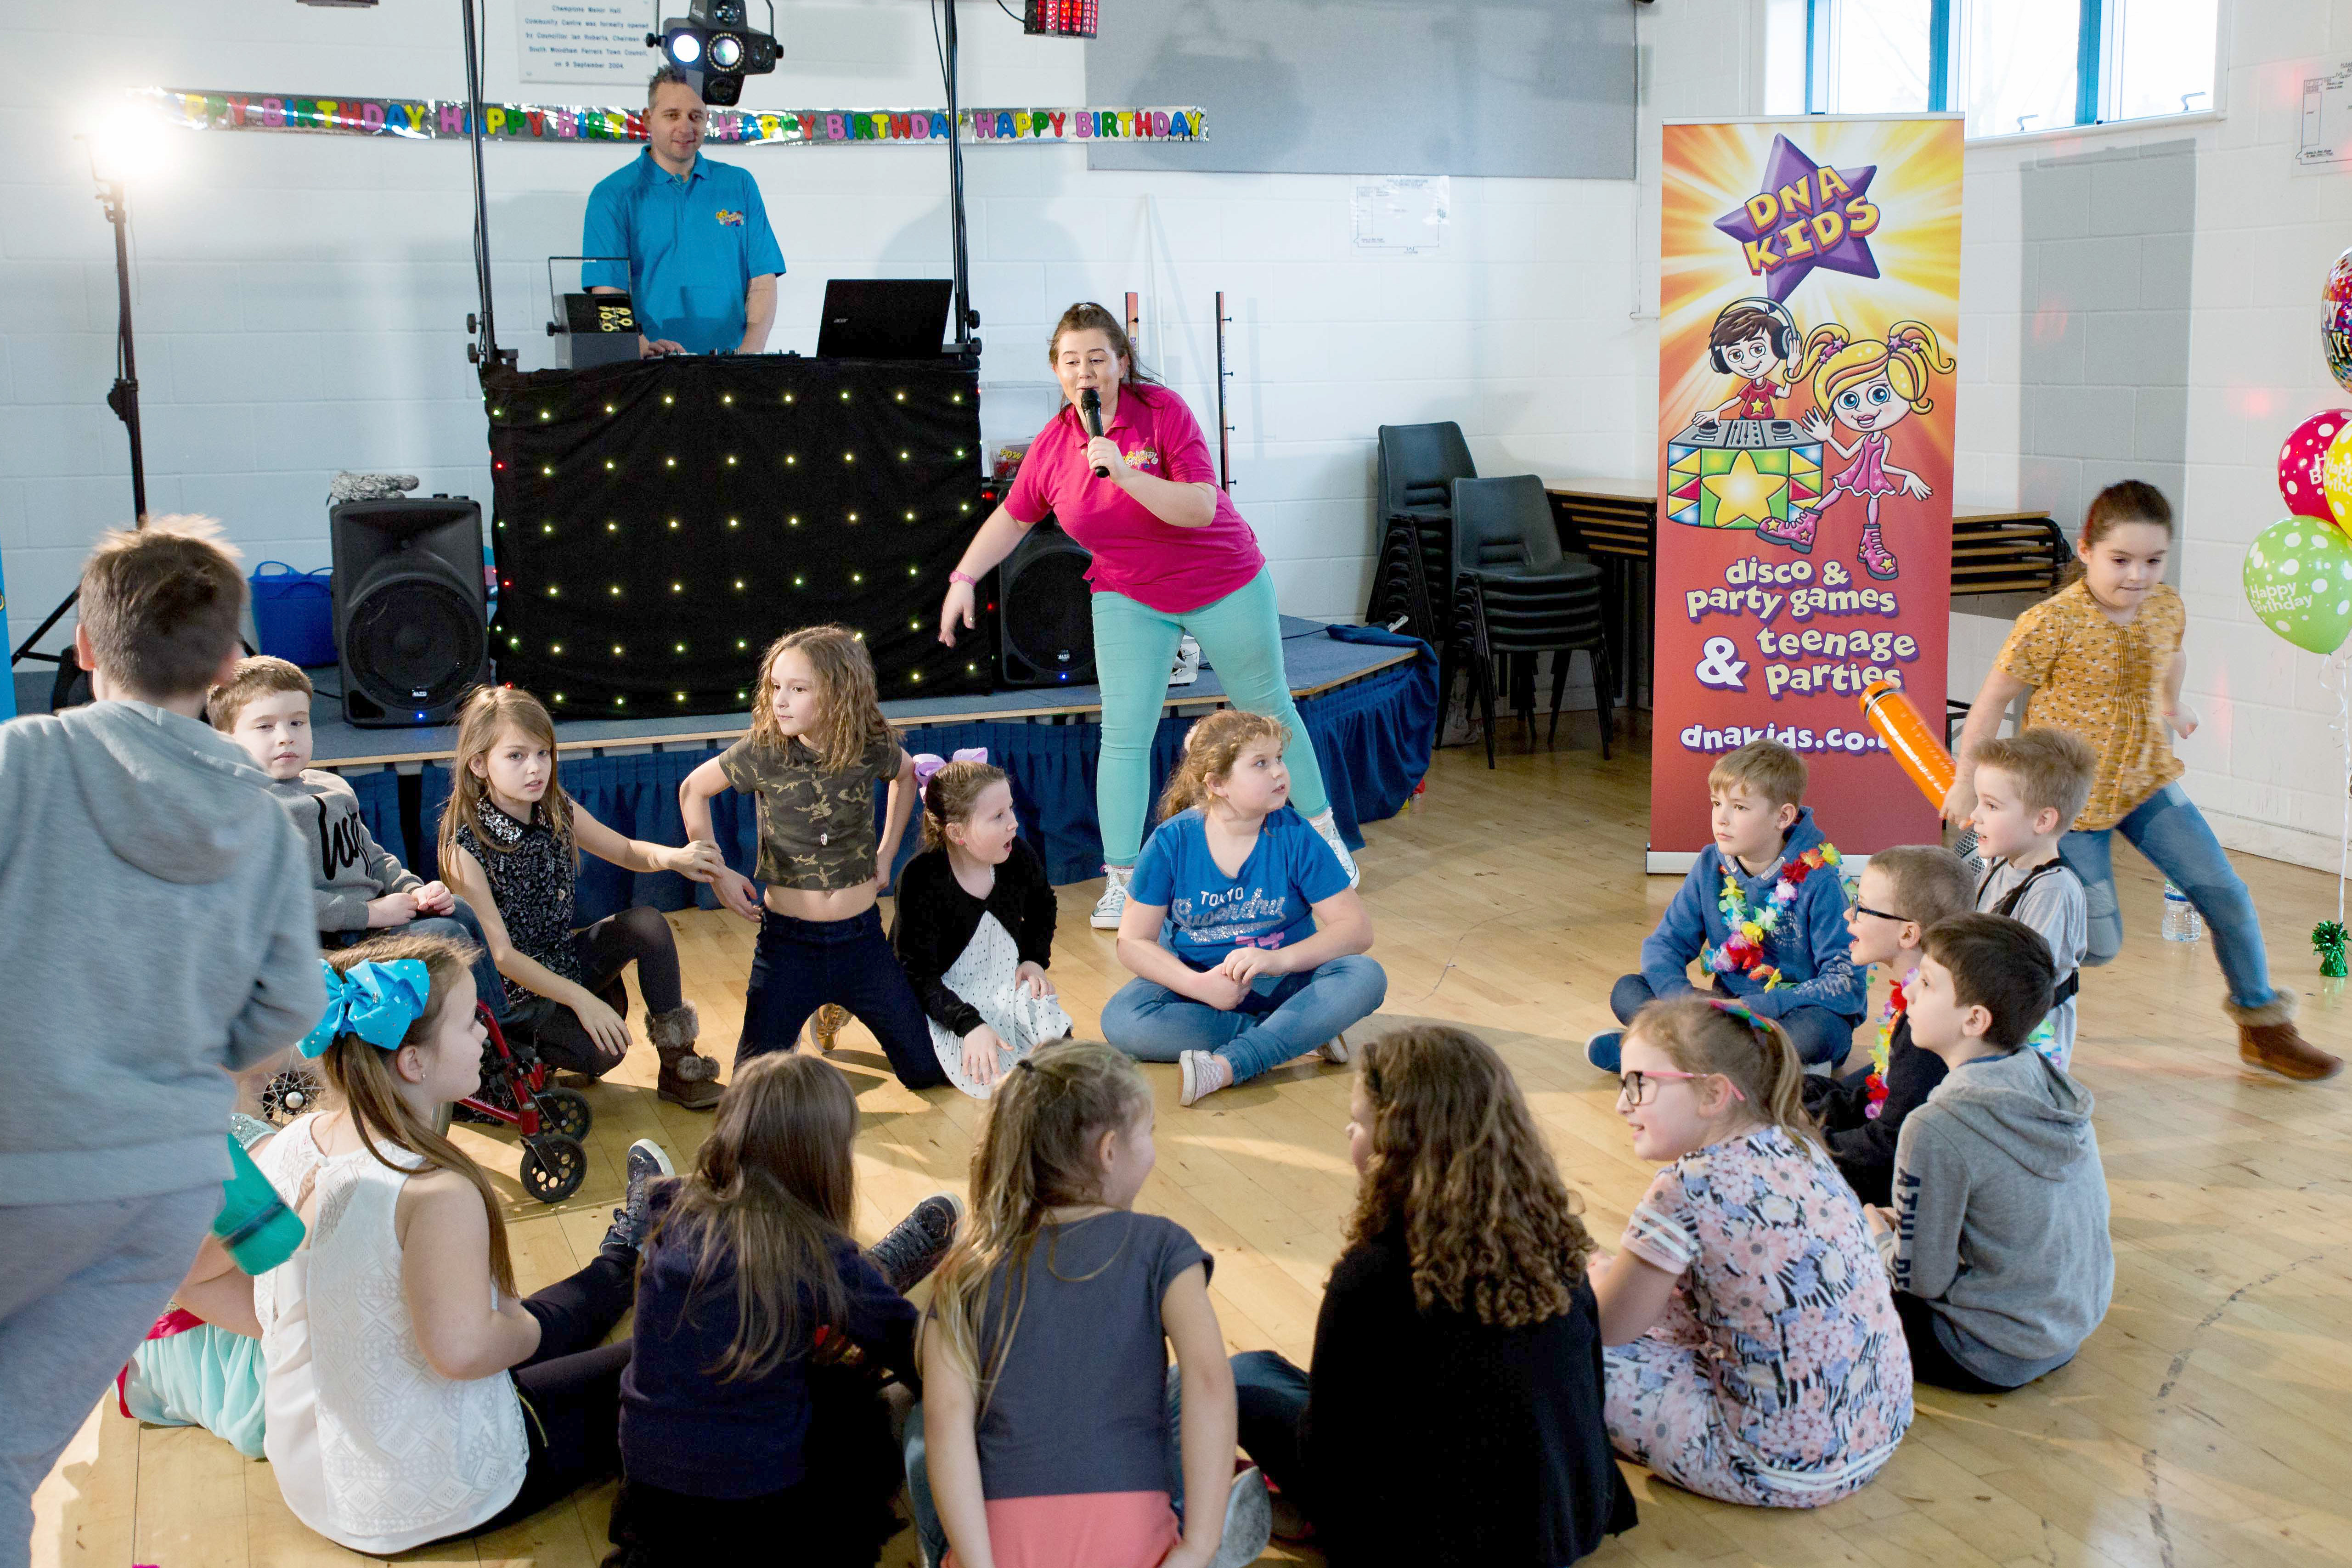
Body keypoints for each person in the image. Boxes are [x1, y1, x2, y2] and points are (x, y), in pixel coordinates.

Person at [0, 517, 326, 1568]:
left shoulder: (24, 756)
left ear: (85, 649)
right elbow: (284, 1008)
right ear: (229, 665)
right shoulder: (261, 814)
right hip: (163, 1194)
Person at [170, 937, 674, 1553]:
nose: (486, 1035)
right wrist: (519, 1327)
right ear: (413, 1061)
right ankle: (640, 1261)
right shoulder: (434, 1190)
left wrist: (310, 1325)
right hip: (427, 1497)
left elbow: (190, 1278)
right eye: (469, 1023)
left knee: (516, 1320)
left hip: (312, 1481)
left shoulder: (293, 1141)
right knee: (651, 1359)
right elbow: (463, 1352)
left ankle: (625, 1255)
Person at [936, 302, 1359, 931]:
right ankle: (1125, 882)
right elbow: (1012, 517)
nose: (1086, 372)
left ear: (1121, 364)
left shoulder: (1163, 414)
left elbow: (1196, 507)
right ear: (1057, 370)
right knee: (1124, 732)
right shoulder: (1053, 445)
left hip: (1220, 578)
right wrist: (964, 577)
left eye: (1098, 359)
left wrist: (1121, 474)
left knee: (1266, 711)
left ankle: (1325, 842)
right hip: (1128, 590)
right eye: (1072, 361)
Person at [1944, 479, 2340, 1081]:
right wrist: (1966, 784)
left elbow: (2172, 653)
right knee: (2096, 944)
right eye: (2121, 559)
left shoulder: (2164, 606)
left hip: (2145, 783)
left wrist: (2172, 703)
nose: (2138, 575)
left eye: (2153, 560)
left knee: (2225, 891)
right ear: (2086, 550)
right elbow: (1991, 701)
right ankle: (2001, 1031)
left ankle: (2264, 1029)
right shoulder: (2049, 622)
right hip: (2067, 805)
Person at [1226, 1026, 1637, 1565]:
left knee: (1238, 1376)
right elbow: (1589, 1393)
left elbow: (1329, 1452)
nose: (1348, 1134)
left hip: (1427, 1541)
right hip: (1566, 1521)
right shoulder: (1553, 1241)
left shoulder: (1373, 1274)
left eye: (1357, 1124)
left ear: (1397, 1146)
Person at [906, 1041, 1270, 1568]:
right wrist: (1197, 1547)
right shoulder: (1163, 1245)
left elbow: (945, 1422)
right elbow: (1211, 1384)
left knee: (919, 1421)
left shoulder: (964, 1273)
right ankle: (1207, 1544)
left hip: (1003, 1551)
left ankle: (945, 1554)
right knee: (1170, 1399)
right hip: (1140, 1549)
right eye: (1149, 1134)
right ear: (1109, 1151)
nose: (1154, 1149)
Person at [609, 1053, 963, 1568]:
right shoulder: (818, 1253)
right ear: (823, 1162)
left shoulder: (674, 1208)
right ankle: (886, 1268)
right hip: (761, 1517)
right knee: (857, 1401)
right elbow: (916, 1354)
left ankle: (883, 1269)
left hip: (651, 1495)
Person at [1591, 996, 1912, 1508]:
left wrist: (1592, 1279)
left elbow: (1608, 1329)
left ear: (1713, 1094)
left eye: (1638, 1084)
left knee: (1555, 1355)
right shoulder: (1802, 1147)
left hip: (1772, 1465)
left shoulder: (1685, 1188)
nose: (1621, 1103)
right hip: (1876, 1431)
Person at [679, 626, 943, 1090]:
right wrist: (717, 874)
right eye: (776, 687)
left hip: (862, 942)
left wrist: (886, 853)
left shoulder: (870, 743)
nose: (781, 701)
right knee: (753, 1091)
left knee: (926, 1071)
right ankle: (818, 1004)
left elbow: (906, 775)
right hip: (788, 947)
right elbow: (693, 790)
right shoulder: (764, 749)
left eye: (798, 690)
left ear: (840, 693)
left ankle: (836, 1002)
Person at [438, 685, 728, 1108]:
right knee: (604, 1052)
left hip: (561, 960)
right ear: (480, 764)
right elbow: (501, 956)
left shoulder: (556, 807)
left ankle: (679, 1067)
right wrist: (582, 1000)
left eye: (543, 753)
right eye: (516, 756)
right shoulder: (465, 846)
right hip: (510, 995)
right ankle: (504, 1064)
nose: (536, 768)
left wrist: (675, 858)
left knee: (647, 924)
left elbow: (626, 850)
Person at [1869, 915, 2113, 1392]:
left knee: (1823, 1261)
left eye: (1928, 982)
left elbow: (1918, 1282)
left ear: (1975, 1020)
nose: (1910, 992)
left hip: (1982, 1353)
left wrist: (1876, 1237)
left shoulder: (1936, 1125)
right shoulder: (2045, 1079)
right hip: (2062, 1333)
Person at [1105, 709, 1387, 1108]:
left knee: (1364, 975)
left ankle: (1232, 1063)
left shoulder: (1294, 833)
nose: (1278, 773)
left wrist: (1278, 960)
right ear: (1217, 783)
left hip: (1286, 980)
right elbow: (1132, 942)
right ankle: (1299, 1032)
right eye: (1260, 763)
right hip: (1203, 988)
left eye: (1279, 759)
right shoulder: (1172, 841)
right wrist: (1199, 985)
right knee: (1122, 1020)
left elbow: (1356, 930)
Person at [209, 655, 506, 1021]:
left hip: (368, 925)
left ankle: (501, 1031)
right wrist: (370, 913)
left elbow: (371, 857)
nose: (286, 736)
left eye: (297, 722)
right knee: (445, 936)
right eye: (265, 727)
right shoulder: (246, 806)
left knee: (457, 909)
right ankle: (476, 1042)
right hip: (324, 943)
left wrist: (414, 891)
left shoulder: (332, 785)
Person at [1586, 739, 1863, 1074]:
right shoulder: (1709, 864)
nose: (1722, 819)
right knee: (1628, 990)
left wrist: (1753, 1006)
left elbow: (1844, 983)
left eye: (1740, 808)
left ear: (1783, 816)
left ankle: (1665, 1055)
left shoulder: (1819, 878)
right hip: (1722, 1014)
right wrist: (1683, 999)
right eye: (1717, 803)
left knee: (1814, 1033)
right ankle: (1764, 1069)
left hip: (1789, 1013)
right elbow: (1665, 944)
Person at [890, 753, 1073, 1097]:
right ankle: (849, 1005)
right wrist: (969, 1025)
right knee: (921, 1071)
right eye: (998, 816)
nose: (1013, 823)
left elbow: (1042, 905)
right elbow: (916, 974)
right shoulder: (920, 878)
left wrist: (1034, 960)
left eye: (1011, 809)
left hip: (1000, 980)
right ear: (957, 832)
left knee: (1056, 1044)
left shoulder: (1016, 853)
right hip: (939, 989)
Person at [1801, 845, 1974, 1207]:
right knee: (1791, 1090)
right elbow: (1875, 1094)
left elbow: (1891, 1141)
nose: (1849, 914)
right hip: (1888, 1149)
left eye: (1862, 907)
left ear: (1908, 934)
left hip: (1901, 1184)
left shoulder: (1928, 1024)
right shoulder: (1917, 998)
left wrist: (1808, 1142)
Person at [583, 66, 782, 356]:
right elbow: (606, 293)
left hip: (732, 370)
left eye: (695, 116)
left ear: (707, 120)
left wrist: (749, 355)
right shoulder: (613, 194)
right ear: (648, 119)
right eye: (672, 115)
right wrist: (640, 350)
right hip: (650, 374)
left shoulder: (739, 184)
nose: (685, 127)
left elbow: (763, 282)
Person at [1966, 728, 2094, 1071]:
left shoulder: (2053, 889)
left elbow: (2026, 979)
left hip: (2028, 1051)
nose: (1975, 815)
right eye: (1978, 801)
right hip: (1988, 1023)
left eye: (1991, 805)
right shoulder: (1997, 867)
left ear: (2042, 820)